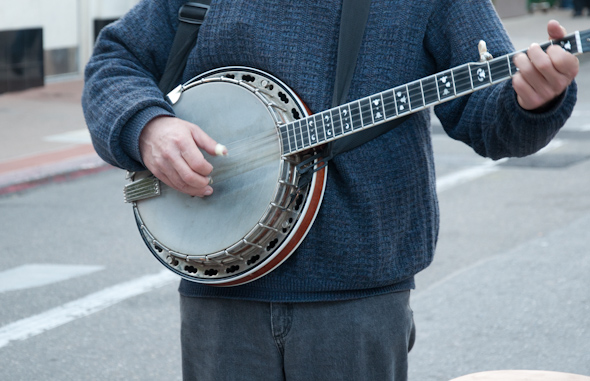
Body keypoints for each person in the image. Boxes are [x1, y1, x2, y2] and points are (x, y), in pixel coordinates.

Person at [82, 0, 579, 379]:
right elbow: (115, 60)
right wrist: (146, 127)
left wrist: (533, 101)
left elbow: (488, 119)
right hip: (218, 294)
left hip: (358, 303)